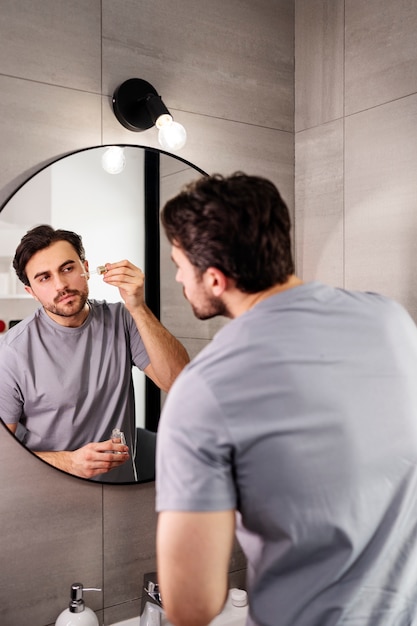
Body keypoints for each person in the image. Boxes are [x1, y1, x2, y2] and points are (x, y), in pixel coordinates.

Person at [155, 172, 417, 626]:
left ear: (215, 279)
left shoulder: (205, 389)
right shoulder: (392, 320)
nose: (177, 276)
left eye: (179, 263)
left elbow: (191, 606)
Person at [0, 224, 189, 482]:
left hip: (122, 495)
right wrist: (68, 462)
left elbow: (179, 382)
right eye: (45, 278)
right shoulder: (11, 352)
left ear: (86, 269)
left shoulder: (123, 319)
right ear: (31, 292)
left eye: (67, 269)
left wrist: (138, 307)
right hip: (48, 500)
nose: (61, 285)